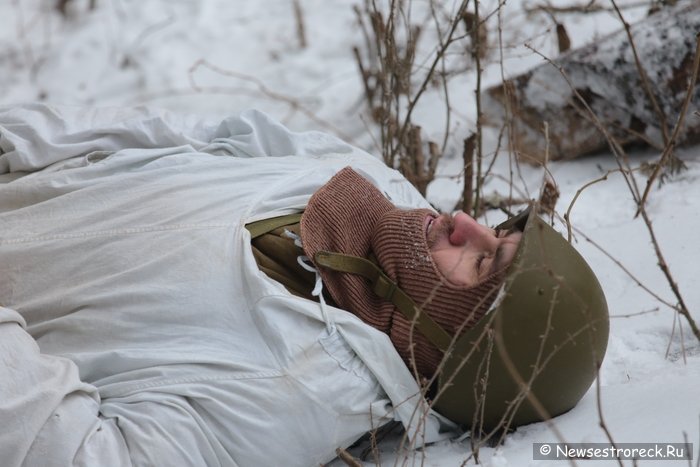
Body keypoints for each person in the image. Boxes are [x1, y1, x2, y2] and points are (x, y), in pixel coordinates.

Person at [0, 103, 608, 467]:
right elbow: (186, 135)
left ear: (454, 342)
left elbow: (76, 453)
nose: (465, 223)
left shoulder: (297, 397)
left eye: (479, 263)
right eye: (497, 232)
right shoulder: (367, 181)